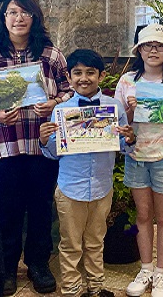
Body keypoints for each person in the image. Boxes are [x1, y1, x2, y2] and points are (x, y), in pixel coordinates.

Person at [0, 0, 72, 296]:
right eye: (12, 13)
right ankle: (7, 268)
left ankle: (38, 265)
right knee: (7, 209)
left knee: (40, 207)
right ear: (3, 18)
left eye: (25, 13)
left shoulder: (51, 55)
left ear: (34, 18)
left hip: (43, 144)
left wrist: (53, 103)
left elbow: (68, 90)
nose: (19, 18)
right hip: (5, 145)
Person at [39, 49, 136, 297]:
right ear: (69, 78)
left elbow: (122, 147)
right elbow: (52, 153)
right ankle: (71, 290)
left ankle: (96, 287)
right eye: (78, 73)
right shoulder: (61, 112)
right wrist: (44, 140)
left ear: (101, 76)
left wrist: (130, 138)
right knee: (71, 244)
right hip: (71, 187)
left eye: (90, 73)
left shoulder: (113, 107)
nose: (84, 78)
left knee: (96, 241)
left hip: (102, 187)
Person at [114, 24, 163, 297]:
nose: (153, 50)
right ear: (139, 49)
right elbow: (118, 124)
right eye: (147, 45)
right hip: (137, 155)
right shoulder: (127, 81)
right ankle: (145, 268)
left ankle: (161, 273)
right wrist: (129, 109)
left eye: (159, 46)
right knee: (144, 214)